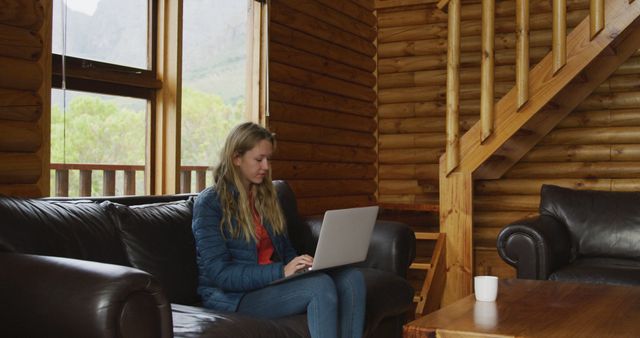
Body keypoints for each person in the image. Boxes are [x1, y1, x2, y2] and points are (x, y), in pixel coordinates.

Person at [192, 122, 366, 338]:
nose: (265, 166)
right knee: (319, 287)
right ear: (236, 158)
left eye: (268, 159)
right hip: (235, 297)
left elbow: (284, 250)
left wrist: (302, 265)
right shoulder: (210, 203)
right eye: (258, 159)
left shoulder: (267, 196)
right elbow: (221, 274)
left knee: (352, 279)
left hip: (273, 283)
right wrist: (282, 271)